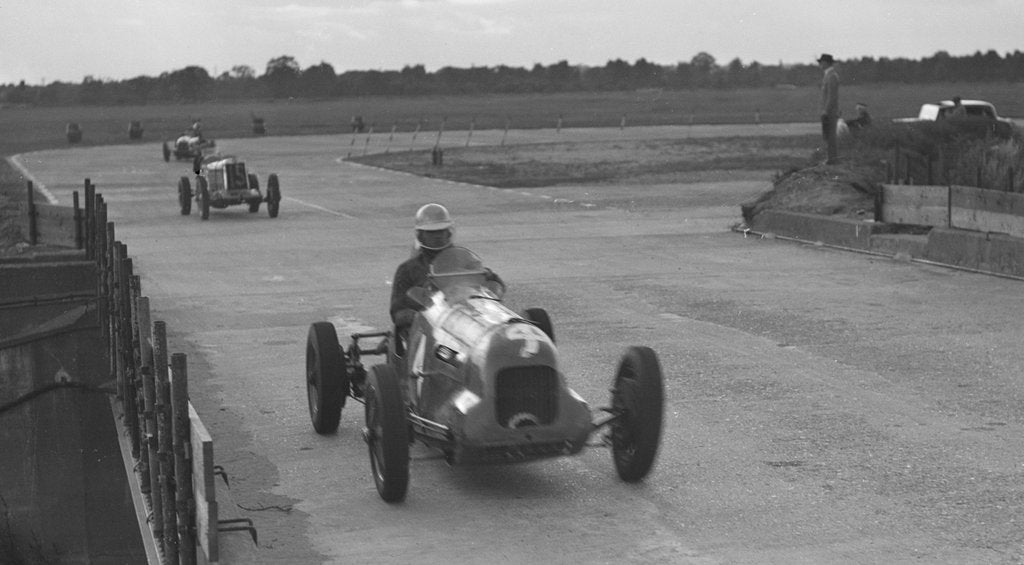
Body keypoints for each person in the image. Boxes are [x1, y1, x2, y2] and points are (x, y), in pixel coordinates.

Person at [389, 203, 504, 334]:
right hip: (429, 332)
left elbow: (495, 284)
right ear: (420, 236)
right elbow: (397, 313)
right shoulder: (407, 270)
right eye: (431, 232)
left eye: (441, 231)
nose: (437, 236)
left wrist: (488, 281)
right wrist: (424, 317)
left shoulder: (466, 260)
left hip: (465, 321)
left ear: (448, 233)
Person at [818, 53, 840, 164]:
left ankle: (832, 159)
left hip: (830, 111)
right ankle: (830, 158)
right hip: (828, 110)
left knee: (830, 136)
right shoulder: (828, 75)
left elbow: (832, 96)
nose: (820, 65)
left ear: (826, 63)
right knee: (828, 135)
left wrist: (826, 110)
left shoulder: (832, 76)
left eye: (821, 63)